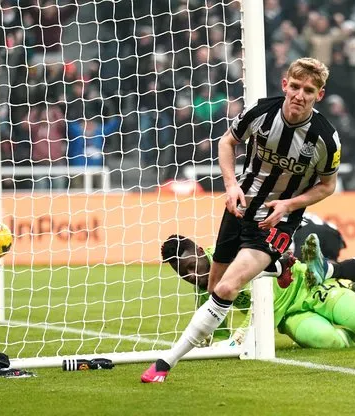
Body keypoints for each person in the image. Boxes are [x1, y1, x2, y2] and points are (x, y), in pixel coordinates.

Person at [142, 57, 342, 383]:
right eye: (295, 87)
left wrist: (289, 204)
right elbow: (226, 142)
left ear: (319, 95)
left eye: (309, 90)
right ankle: (277, 269)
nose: (300, 95)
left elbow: (327, 186)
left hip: (276, 222)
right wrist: (231, 185)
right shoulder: (261, 113)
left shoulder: (325, 139)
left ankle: (164, 363)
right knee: (211, 285)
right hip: (239, 208)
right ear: (285, 85)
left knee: (226, 287)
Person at [158, 234, 355, 350]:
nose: (191, 276)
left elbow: (264, 297)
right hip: (288, 316)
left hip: (304, 286)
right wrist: (216, 344)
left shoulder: (232, 254)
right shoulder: (204, 289)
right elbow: (217, 330)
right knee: (331, 342)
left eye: (191, 267)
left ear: (199, 251)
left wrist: (240, 337)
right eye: (183, 274)